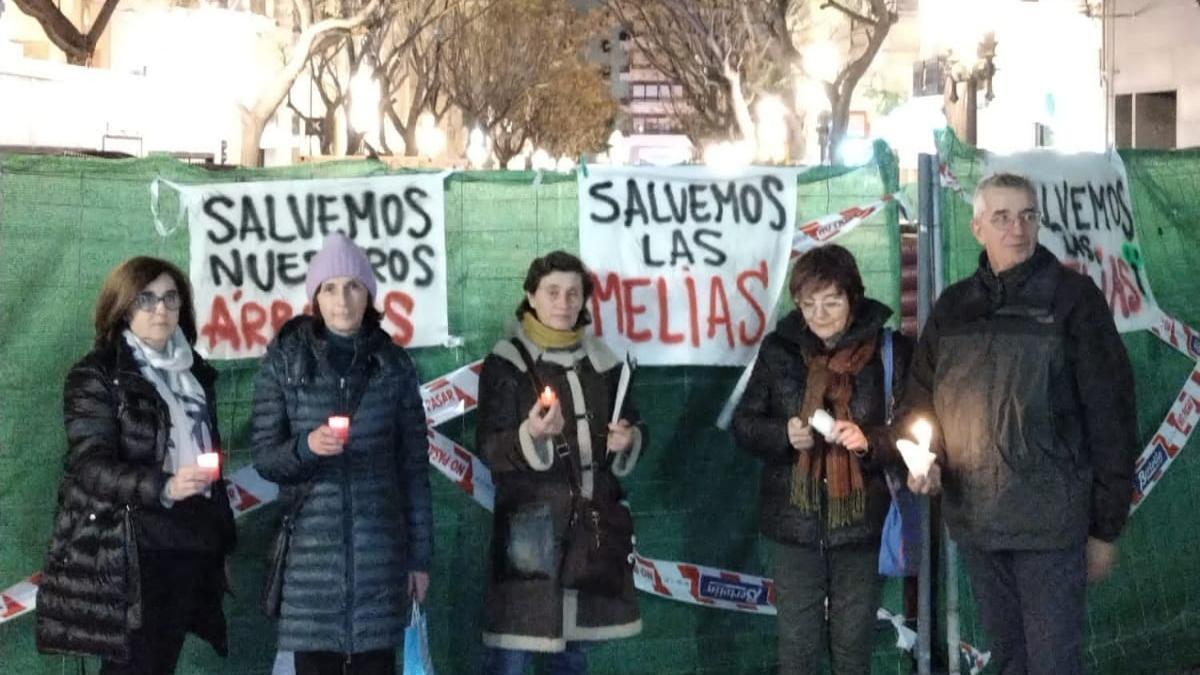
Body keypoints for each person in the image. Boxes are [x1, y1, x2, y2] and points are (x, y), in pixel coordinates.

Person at [901, 172, 1137, 674]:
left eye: (1028, 216)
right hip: (978, 524)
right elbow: (919, 405)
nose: (1018, 229)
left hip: (1052, 528)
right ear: (977, 227)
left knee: (1052, 664)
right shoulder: (953, 308)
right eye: (1003, 217)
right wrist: (926, 461)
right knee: (1010, 660)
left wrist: (1105, 529)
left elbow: (1112, 419)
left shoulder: (1074, 301)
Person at [36, 257, 237, 674]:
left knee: (158, 665)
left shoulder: (196, 374)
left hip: (190, 540)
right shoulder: (97, 374)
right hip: (130, 550)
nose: (160, 309)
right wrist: (163, 485)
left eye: (170, 298)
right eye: (146, 299)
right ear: (124, 306)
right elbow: (89, 465)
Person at [252, 233, 432, 675]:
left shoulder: (394, 365)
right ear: (315, 295)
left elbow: (414, 470)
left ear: (369, 293)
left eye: (353, 286)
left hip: (381, 561)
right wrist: (306, 447)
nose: (342, 299)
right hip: (311, 571)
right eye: (329, 287)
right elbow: (265, 458)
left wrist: (420, 559)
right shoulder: (284, 362)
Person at [732, 244, 913, 675]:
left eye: (831, 301)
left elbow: (914, 426)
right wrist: (784, 434)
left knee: (853, 650)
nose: (819, 313)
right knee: (796, 650)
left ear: (854, 296)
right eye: (808, 303)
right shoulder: (780, 350)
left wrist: (869, 441)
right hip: (795, 521)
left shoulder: (890, 351)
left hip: (864, 522)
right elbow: (745, 424)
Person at [476, 250, 645, 675]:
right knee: (511, 655)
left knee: (571, 656)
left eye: (573, 293)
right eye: (552, 292)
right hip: (529, 535)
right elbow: (491, 447)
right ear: (531, 297)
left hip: (588, 534)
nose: (563, 303)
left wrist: (628, 439)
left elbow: (632, 422)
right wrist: (529, 436)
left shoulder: (603, 362)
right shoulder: (507, 362)